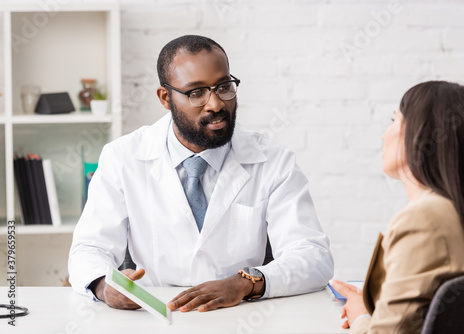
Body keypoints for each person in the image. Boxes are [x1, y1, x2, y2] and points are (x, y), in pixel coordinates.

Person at [68, 35, 334, 312]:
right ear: (165, 98)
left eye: (224, 87)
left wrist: (246, 283)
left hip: (241, 314)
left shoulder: (274, 161)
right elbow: (89, 248)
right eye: (196, 93)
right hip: (157, 315)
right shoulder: (122, 158)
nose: (216, 104)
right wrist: (103, 286)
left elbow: (314, 257)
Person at [330, 81, 464, 333]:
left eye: (393, 120)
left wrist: (360, 318)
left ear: (422, 132)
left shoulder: (424, 220)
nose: (384, 134)